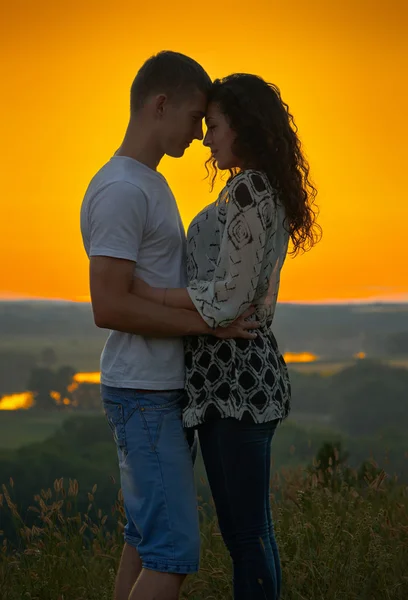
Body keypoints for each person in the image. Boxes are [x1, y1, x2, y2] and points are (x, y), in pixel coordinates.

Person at [131, 73, 321, 599]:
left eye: (213, 126)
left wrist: (151, 294)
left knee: (245, 537)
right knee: (255, 534)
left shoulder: (246, 188)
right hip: (250, 375)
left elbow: (229, 299)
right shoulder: (268, 187)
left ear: (242, 126)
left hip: (231, 382)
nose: (205, 139)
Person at [80, 54, 259, 600]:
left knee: (144, 541)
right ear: (161, 105)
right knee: (174, 552)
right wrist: (208, 327)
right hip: (142, 392)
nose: (200, 133)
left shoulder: (148, 183)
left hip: (160, 389)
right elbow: (108, 306)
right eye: (195, 117)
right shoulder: (122, 191)